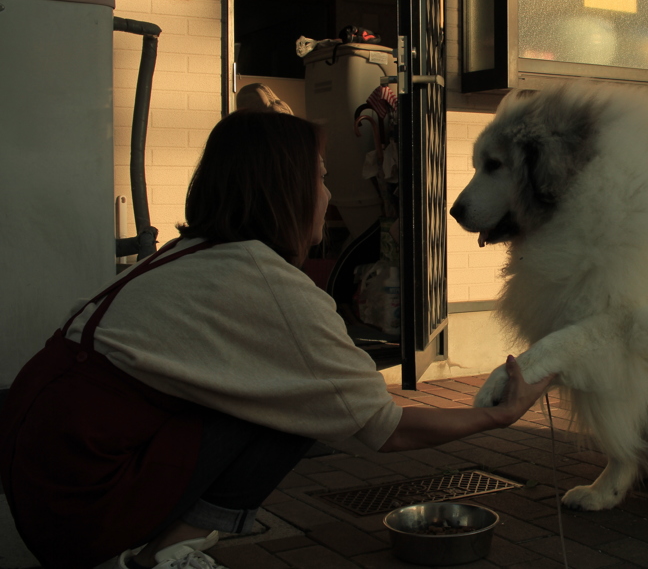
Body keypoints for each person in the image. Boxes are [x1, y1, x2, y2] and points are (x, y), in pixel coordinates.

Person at [0, 111, 553, 569]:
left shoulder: (185, 253)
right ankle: (167, 557)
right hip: (80, 501)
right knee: (299, 408)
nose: (328, 192)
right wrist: (494, 418)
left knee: (292, 397)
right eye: (318, 176)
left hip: (38, 476)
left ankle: (158, 551)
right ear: (283, 189)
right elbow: (382, 428)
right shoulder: (264, 281)